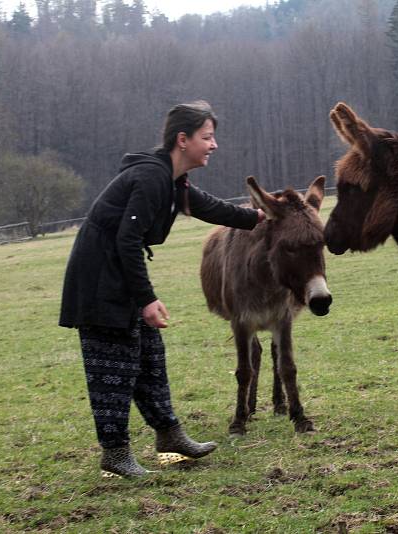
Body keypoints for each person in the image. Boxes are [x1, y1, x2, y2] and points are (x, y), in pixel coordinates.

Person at [59, 101, 265, 478]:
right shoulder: (152, 178)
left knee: (150, 358)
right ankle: (115, 453)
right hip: (99, 281)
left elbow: (210, 208)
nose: (213, 144)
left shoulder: (172, 181)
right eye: (207, 137)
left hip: (118, 276)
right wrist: (147, 299)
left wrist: (258, 216)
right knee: (113, 368)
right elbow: (126, 240)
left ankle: (169, 435)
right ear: (183, 140)